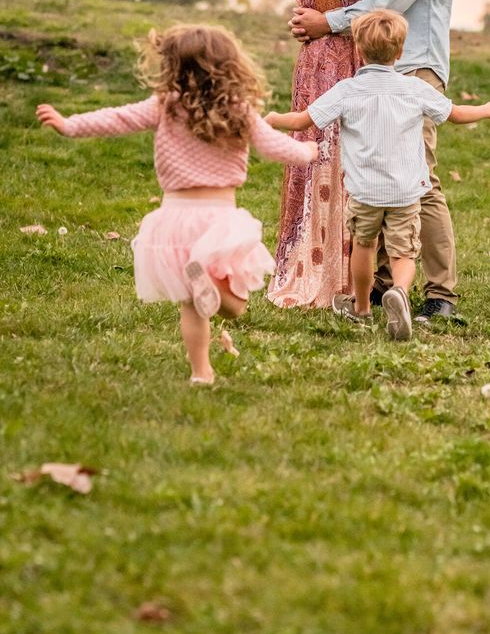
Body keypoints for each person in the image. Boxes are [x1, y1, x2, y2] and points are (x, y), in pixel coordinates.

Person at [35, 24, 316, 385]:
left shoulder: (166, 105)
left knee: (191, 305)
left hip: (174, 217)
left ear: (174, 67)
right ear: (229, 64)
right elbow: (275, 147)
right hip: (219, 218)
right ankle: (213, 289)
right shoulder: (238, 110)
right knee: (235, 305)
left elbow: (117, 118)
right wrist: (307, 151)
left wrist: (69, 124)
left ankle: (201, 372)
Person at [290, 0, 460, 324]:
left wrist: (329, 22)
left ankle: (440, 297)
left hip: (413, 66)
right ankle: (384, 288)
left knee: (418, 181)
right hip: (371, 65)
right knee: (373, 177)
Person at [267, 9, 490, 340]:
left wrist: (275, 118)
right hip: (407, 191)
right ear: (401, 52)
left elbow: (304, 120)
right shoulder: (414, 88)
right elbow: (457, 114)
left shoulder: (347, 90)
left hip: (364, 192)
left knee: (364, 247)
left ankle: (362, 308)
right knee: (403, 252)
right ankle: (401, 295)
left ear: (359, 51)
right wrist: (487, 109)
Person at [267, 0, 435, 309]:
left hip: (349, 54)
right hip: (327, 60)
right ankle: (317, 274)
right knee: (326, 160)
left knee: (349, 163)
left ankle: (348, 277)